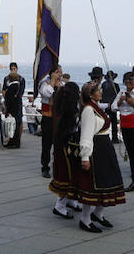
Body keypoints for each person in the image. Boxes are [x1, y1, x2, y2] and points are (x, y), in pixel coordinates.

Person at [76, 81, 126, 233]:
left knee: (107, 181)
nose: (101, 92)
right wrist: (85, 157)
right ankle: (85, 219)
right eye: (98, 90)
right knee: (92, 186)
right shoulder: (89, 110)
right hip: (96, 149)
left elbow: (111, 107)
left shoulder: (96, 107)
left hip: (105, 147)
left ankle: (98, 213)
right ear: (90, 94)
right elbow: (85, 135)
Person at [48, 81, 82, 220]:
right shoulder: (70, 111)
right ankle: (60, 205)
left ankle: (70, 200)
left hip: (65, 145)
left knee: (71, 174)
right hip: (66, 147)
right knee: (67, 174)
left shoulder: (65, 108)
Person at [39, 64, 63, 177]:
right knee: (47, 144)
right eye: (58, 72)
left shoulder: (62, 85)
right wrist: (53, 80)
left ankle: (59, 166)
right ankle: (45, 167)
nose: (61, 74)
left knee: (59, 144)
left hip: (58, 118)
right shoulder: (45, 83)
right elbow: (47, 93)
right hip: (48, 118)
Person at [2, 64, 25, 148]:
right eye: (11, 69)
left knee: (15, 123)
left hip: (13, 106)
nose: (13, 70)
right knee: (15, 123)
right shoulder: (7, 80)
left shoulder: (20, 80)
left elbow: (20, 93)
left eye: (14, 68)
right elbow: (4, 90)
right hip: (16, 105)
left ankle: (15, 141)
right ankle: (14, 141)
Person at [101, 70, 121, 144]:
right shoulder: (115, 85)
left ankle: (104, 137)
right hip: (112, 105)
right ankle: (115, 138)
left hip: (105, 105)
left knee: (104, 122)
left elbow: (101, 95)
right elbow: (118, 95)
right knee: (114, 122)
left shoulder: (104, 84)